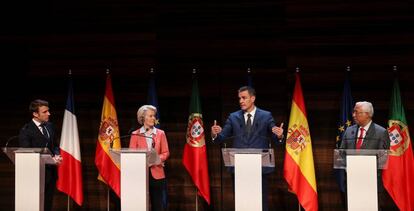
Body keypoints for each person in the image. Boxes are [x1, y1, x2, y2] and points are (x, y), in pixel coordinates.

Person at [210, 86, 284, 211]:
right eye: (239, 98)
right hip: (239, 168)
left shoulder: (266, 116)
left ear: (253, 98)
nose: (241, 101)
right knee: (241, 203)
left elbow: (276, 138)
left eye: (244, 98)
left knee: (260, 203)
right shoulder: (233, 117)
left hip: (259, 168)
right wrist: (214, 133)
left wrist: (280, 135)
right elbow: (221, 137)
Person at [340, 101, 391, 209]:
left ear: (367, 114)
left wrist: (366, 169)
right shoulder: (349, 131)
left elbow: (383, 159)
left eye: (356, 112)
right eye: (354, 112)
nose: (353, 115)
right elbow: (341, 154)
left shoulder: (381, 132)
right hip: (352, 183)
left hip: (371, 185)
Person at [18, 99, 62, 211]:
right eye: (45, 112)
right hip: (35, 175)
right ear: (35, 114)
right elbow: (27, 153)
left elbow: (55, 145)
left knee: (47, 205)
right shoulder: (26, 130)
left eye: (48, 111)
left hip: (50, 173)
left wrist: (56, 155)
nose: (49, 113)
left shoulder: (50, 126)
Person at [129, 105, 170, 211]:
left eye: (154, 116)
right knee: (141, 206)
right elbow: (132, 154)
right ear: (143, 118)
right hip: (140, 175)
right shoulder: (135, 134)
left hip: (157, 174)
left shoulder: (160, 134)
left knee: (157, 206)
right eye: (150, 116)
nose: (153, 118)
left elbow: (166, 153)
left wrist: (155, 159)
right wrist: (142, 162)